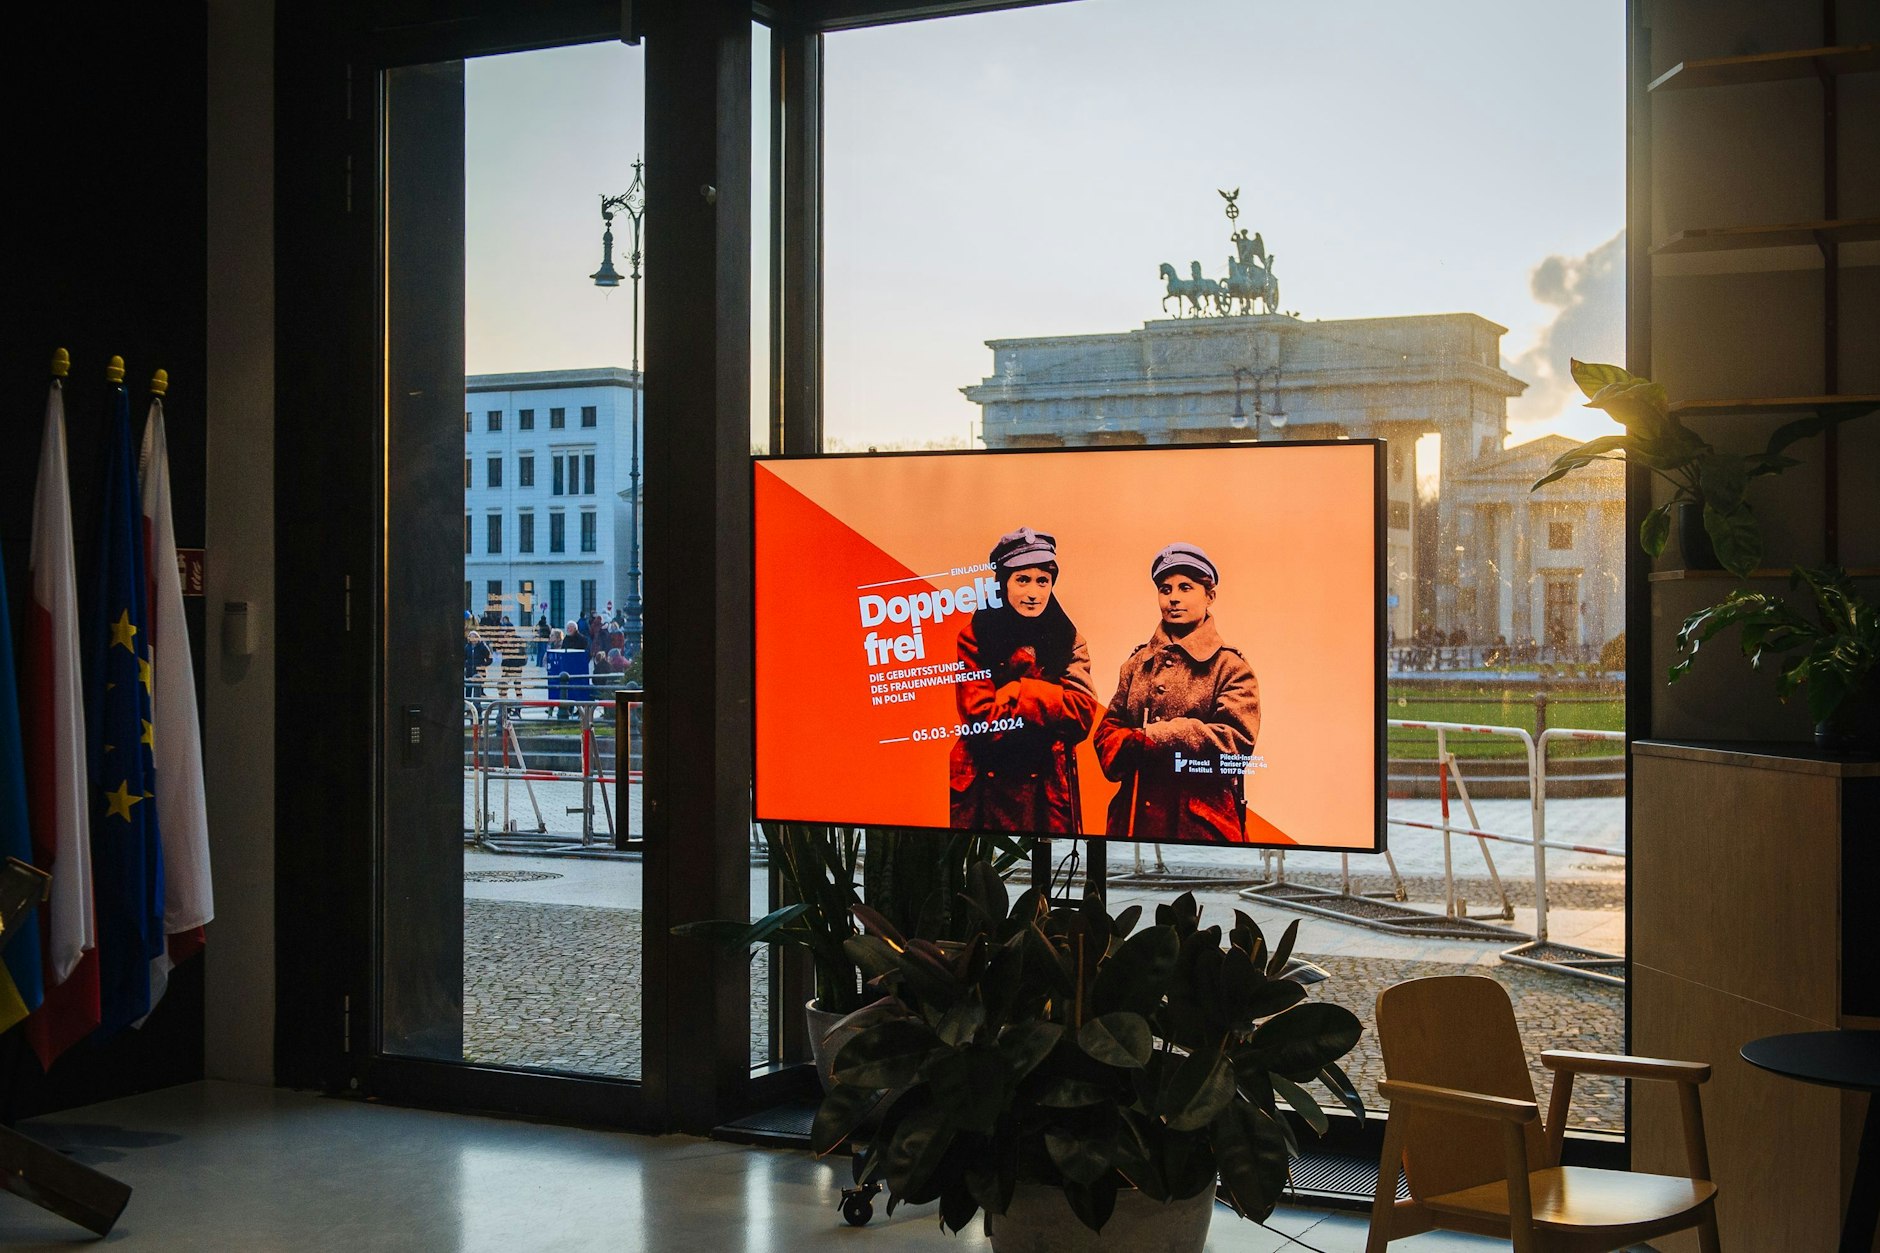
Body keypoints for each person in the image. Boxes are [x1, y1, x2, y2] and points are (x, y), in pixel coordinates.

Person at [1094, 542, 1259, 844]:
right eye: (1165, 589)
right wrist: (1127, 743)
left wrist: (1156, 737)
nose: (1173, 598)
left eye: (1186, 588)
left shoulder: (1231, 667)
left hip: (1201, 828)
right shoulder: (1136, 664)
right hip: (1134, 822)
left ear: (1209, 597)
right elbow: (1107, 733)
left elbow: (1235, 745)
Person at [948, 527, 1099, 834]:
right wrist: (1052, 704)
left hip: (1047, 791)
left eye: (1043, 581)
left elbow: (1082, 715)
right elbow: (981, 720)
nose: (1033, 592)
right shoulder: (975, 636)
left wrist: (1018, 691)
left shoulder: (1069, 639)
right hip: (985, 789)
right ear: (1003, 582)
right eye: (1022, 580)